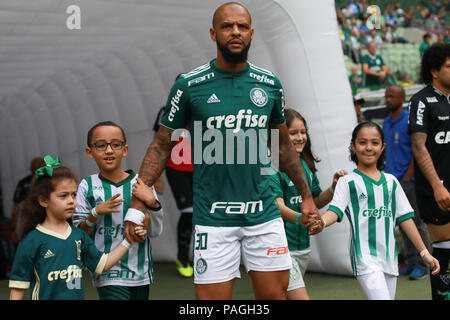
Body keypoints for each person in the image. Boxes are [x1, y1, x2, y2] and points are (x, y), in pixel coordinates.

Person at [124, 2, 320, 300]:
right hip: (213, 219)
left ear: (252, 33)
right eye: (227, 26)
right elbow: (162, 144)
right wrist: (138, 203)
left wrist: (307, 197)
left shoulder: (270, 85)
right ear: (214, 34)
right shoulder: (188, 85)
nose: (235, 32)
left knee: (275, 297)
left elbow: (282, 146)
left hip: (264, 216)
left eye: (242, 26)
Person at [310, 122, 440, 300]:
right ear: (353, 146)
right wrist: (322, 222)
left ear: (382, 147)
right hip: (365, 259)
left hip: (389, 259)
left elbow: (406, 219)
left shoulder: (391, 181)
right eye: (363, 142)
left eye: (375, 143)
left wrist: (424, 253)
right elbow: (335, 210)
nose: (369, 148)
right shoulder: (347, 181)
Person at [8, 156, 145, 300]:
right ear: (43, 200)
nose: (71, 201)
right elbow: (18, 287)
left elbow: (102, 264)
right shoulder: (32, 240)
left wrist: (129, 240)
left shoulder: (79, 235)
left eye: (74, 195)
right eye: (63, 196)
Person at [72, 121, 162, 300]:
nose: (109, 150)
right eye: (100, 145)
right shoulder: (87, 186)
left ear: (125, 149)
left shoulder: (141, 183)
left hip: (139, 272)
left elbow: (155, 231)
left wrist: (152, 203)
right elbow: (79, 235)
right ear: (90, 152)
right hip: (107, 271)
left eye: (115, 144)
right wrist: (95, 214)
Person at [270, 109, 347, 300]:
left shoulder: (304, 164)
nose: (300, 137)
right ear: (280, 134)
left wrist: (333, 188)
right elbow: (275, 205)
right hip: (280, 249)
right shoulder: (270, 163)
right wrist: (299, 218)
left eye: (303, 132)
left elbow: (314, 201)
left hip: (302, 247)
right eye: (293, 133)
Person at [408, 43, 450, 300]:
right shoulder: (422, 100)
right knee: (444, 250)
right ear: (435, 71)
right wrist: (437, 185)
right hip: (437, 189)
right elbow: (418, 145)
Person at [382, 86, 431, 280]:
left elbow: (416, 149)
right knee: (402, 223)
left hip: (407, 180)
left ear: (402, 99)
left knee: (416, 222)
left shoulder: (408, 122)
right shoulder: (386, 122)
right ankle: (411, 261)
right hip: (391, 179)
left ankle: (423, 264)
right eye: (387, 96)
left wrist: (409, 175)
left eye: (392, 96)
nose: (388, 99)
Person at [154, 105, 194, 278]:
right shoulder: (167, 111)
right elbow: (159, 143)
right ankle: (183, 259)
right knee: (189, 211)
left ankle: (204, 257)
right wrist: (156, 175)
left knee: (207, 212)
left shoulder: (205, 106)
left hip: (201, 167)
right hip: (176, 168)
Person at [10, 157, 46, 243]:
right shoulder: (24, 183)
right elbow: (16, 206)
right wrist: (14, 228)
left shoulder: (52, 180)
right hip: (30, 216)